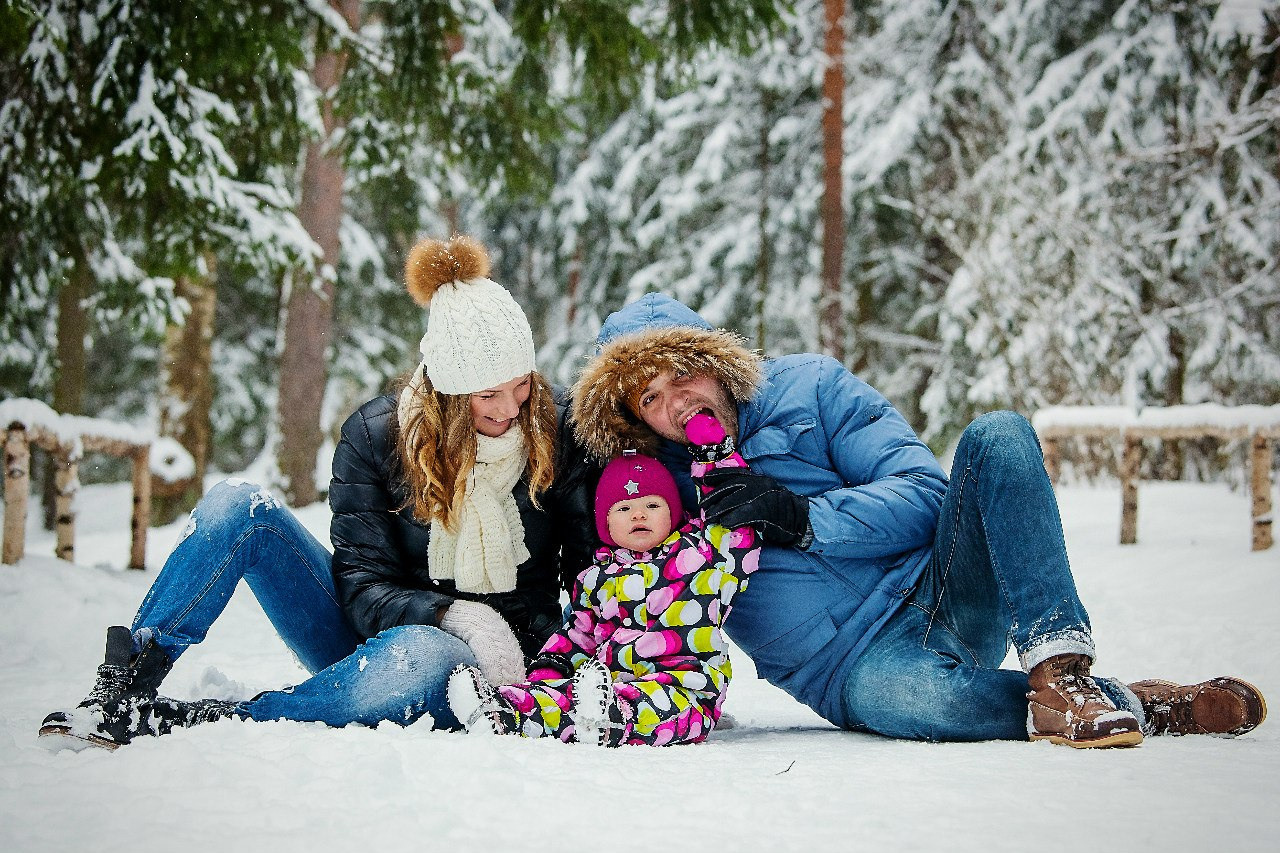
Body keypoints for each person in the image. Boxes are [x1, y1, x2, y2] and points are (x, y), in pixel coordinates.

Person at [565, 292, 1266, 748]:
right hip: (854, 664)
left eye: (681, 375)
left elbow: (926, 493)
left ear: (713, 360)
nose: (675, 404)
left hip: (943, 581)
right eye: (648, 399)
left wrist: (804, 517)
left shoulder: (810, 386)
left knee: (998, 435)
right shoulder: (652, 487)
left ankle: (1062, 670)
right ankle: (1132, 705)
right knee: (928, 701)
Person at [39, 235, 597, 750]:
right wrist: (454, 614)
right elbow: (361, 586)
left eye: (521, 386)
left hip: (488, 668)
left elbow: (590, 570)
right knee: (238, 506)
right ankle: (127, 686)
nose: (510, 409)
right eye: (487, 394)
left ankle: (222, 719)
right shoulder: (375, 436)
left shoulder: (556, 431)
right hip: (371, 635)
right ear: (448, 391)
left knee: (432, 656)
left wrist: (553, 657)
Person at [447, 412, 761, 747]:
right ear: (605, 524)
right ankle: (501, 712)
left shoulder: (701, 558)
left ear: (672, 513)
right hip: (603, 688)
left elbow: (736, 524)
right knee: (561, 698)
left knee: (659, 707)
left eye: (652, 505)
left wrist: (713, 455)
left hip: (684, 687)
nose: (638, 514)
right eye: (623, 509)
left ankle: (607, 717)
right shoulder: (596, 578)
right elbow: (577, 638)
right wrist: (544, 679)